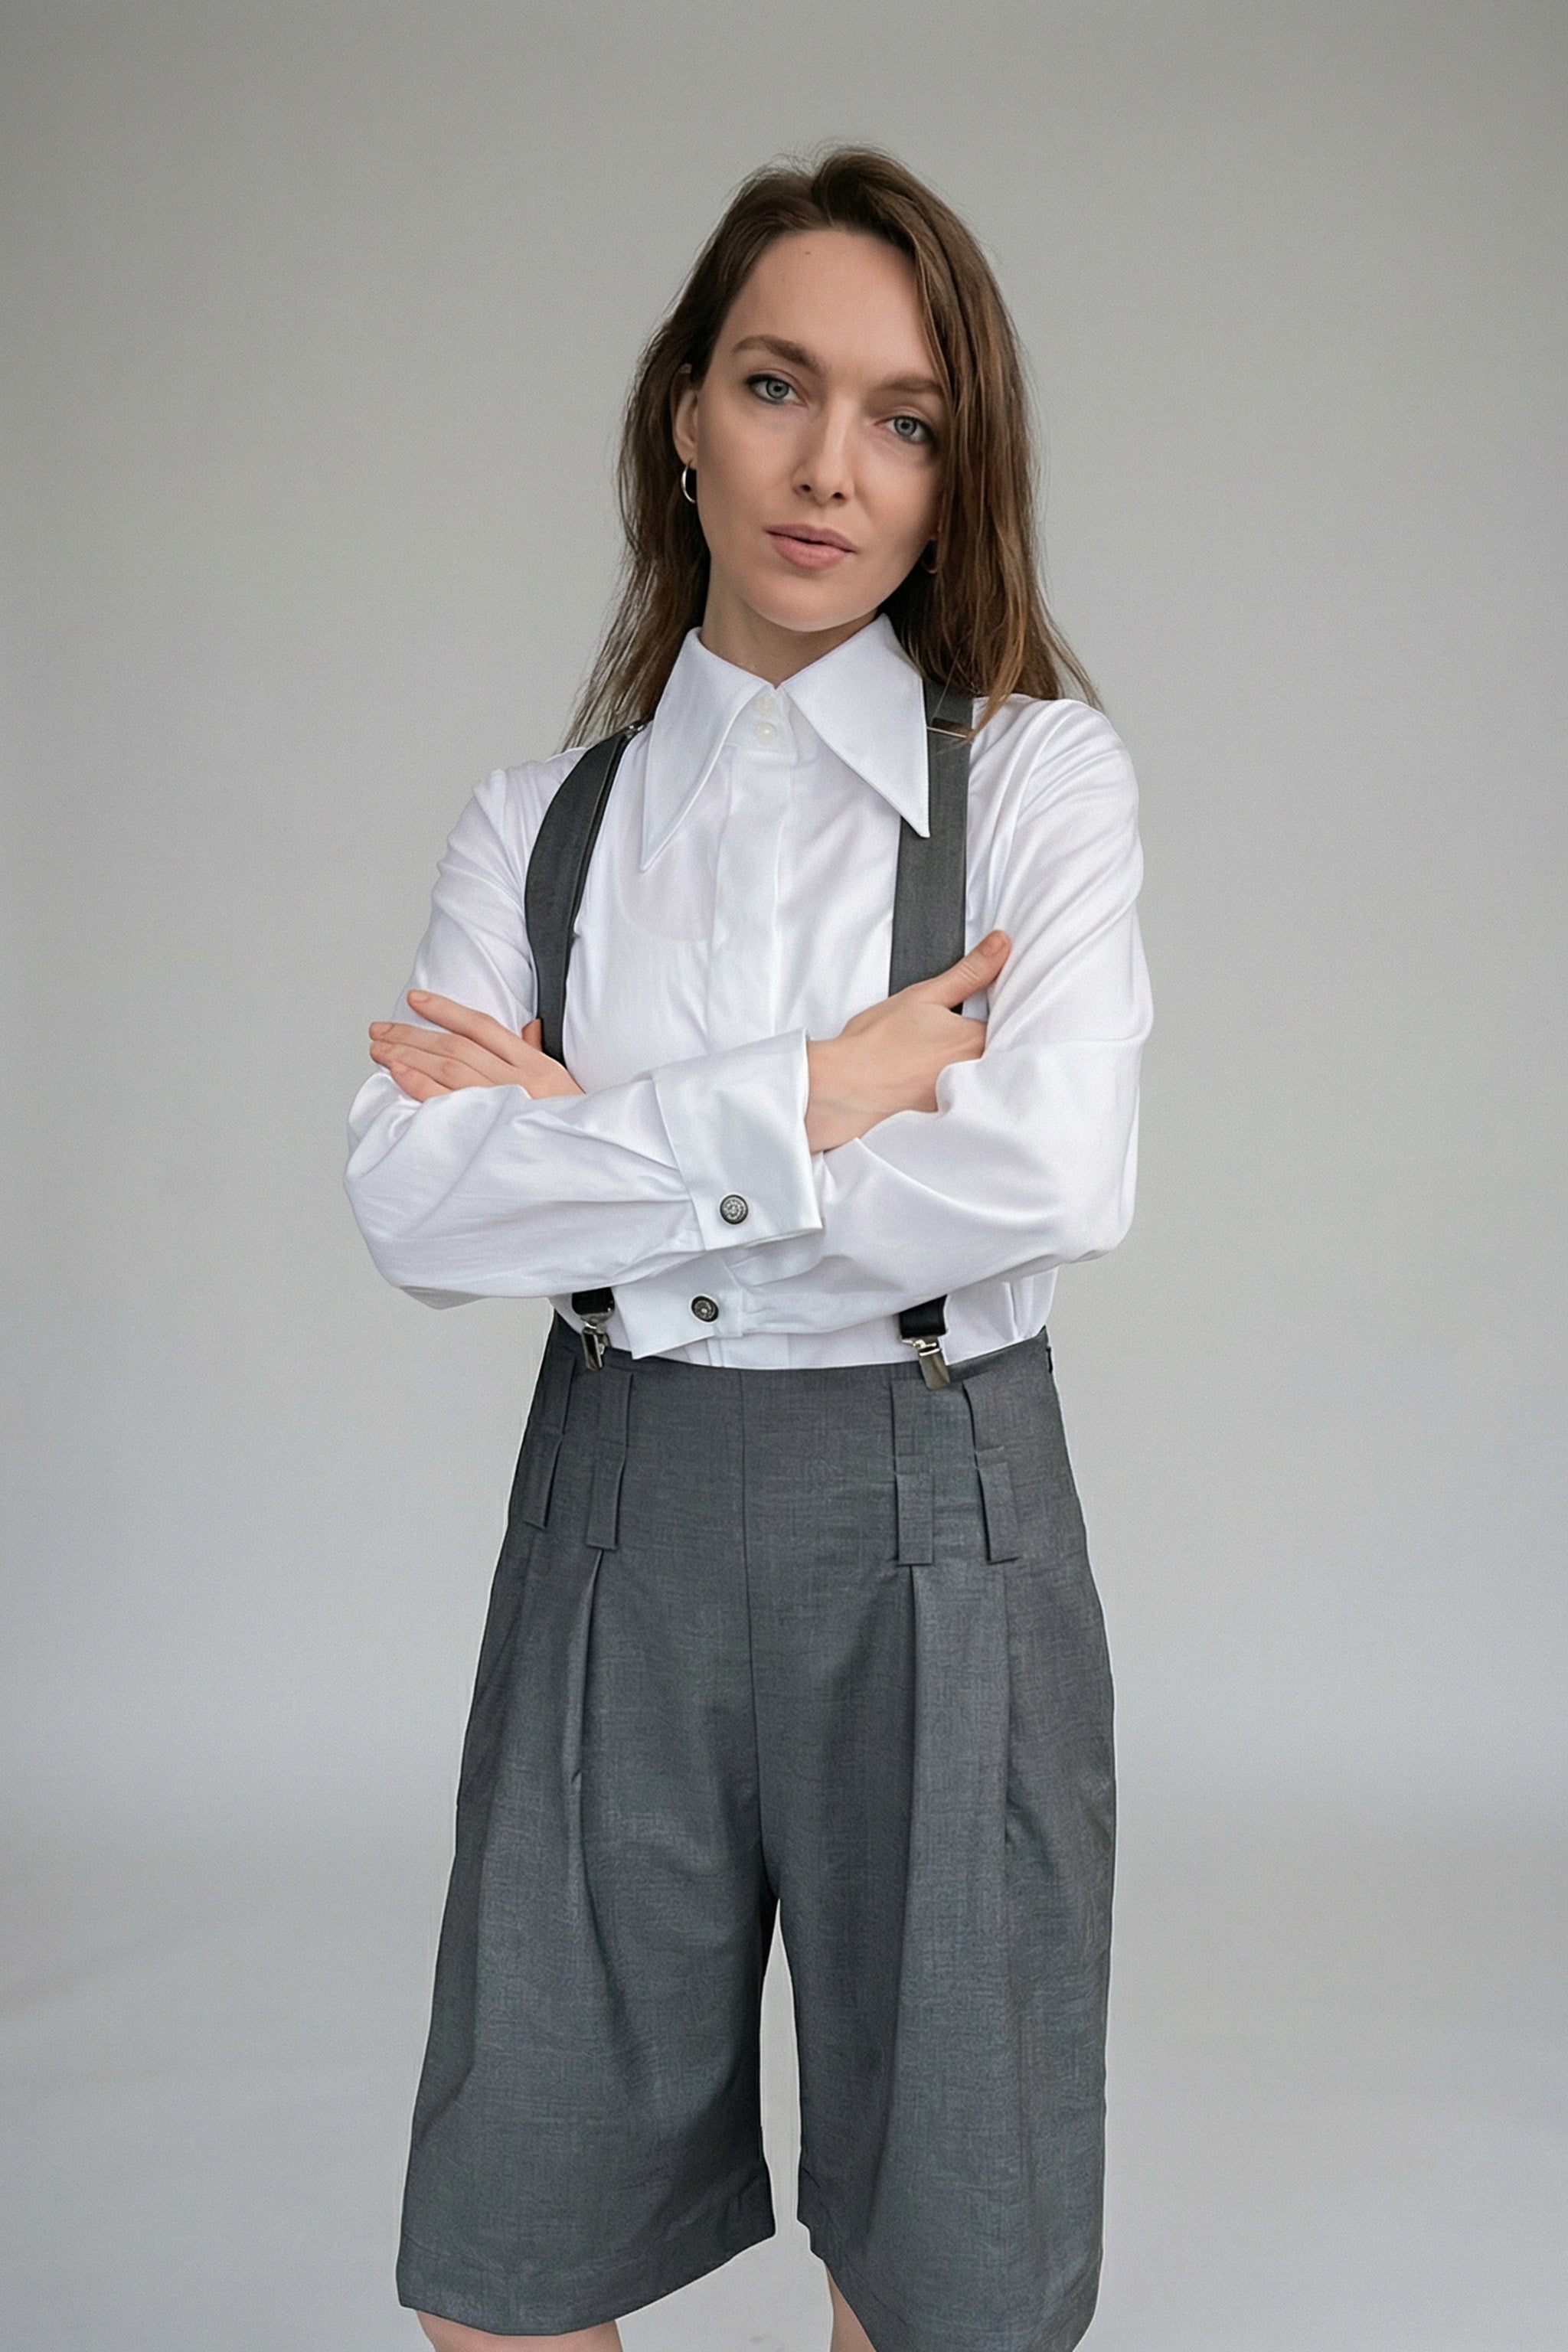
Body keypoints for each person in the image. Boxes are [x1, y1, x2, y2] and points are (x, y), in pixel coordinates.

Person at [345, 146, 1152, 2352]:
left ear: (956, 473)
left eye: (906, 420)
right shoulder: (539, 826)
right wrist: (817, 1093)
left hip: (941, 1515)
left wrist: (589, 1144)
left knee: (947, 2273)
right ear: (683, 413)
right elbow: (414, 1204)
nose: (830, 471)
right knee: (510, 2253)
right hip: (614, 1516)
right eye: (779, 386)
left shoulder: (1042, 786)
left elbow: (1050, 1175)